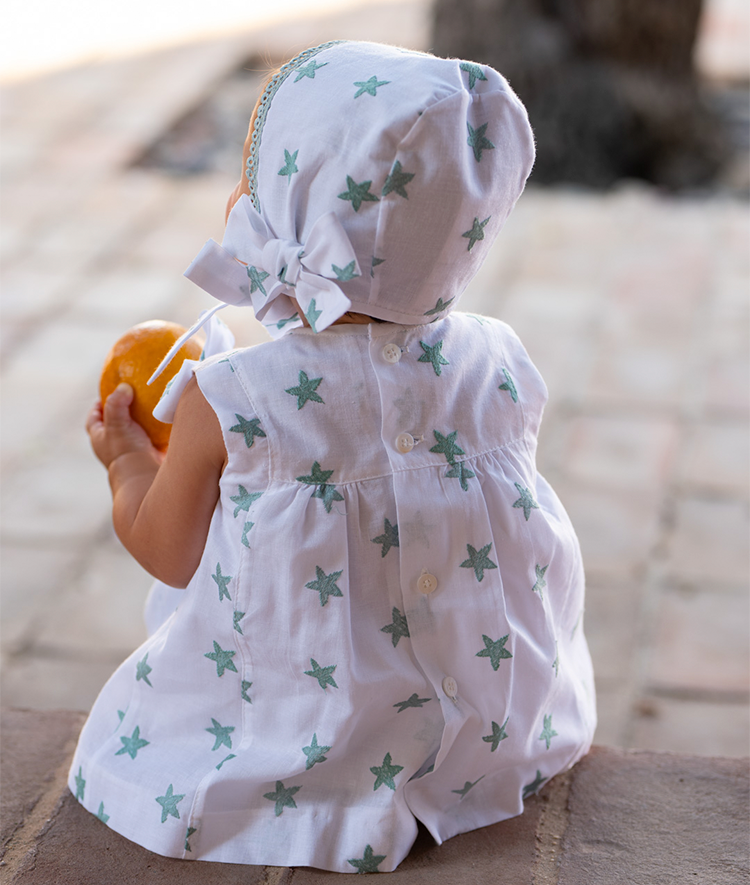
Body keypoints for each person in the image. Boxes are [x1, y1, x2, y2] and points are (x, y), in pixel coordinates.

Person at [70, 40, 596, 873]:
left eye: (258, 172)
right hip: (487, 732)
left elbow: (166, 549)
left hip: (303, 740)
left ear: (298, 217)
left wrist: (128, 461)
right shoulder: (496, 360)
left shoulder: (231, 397)